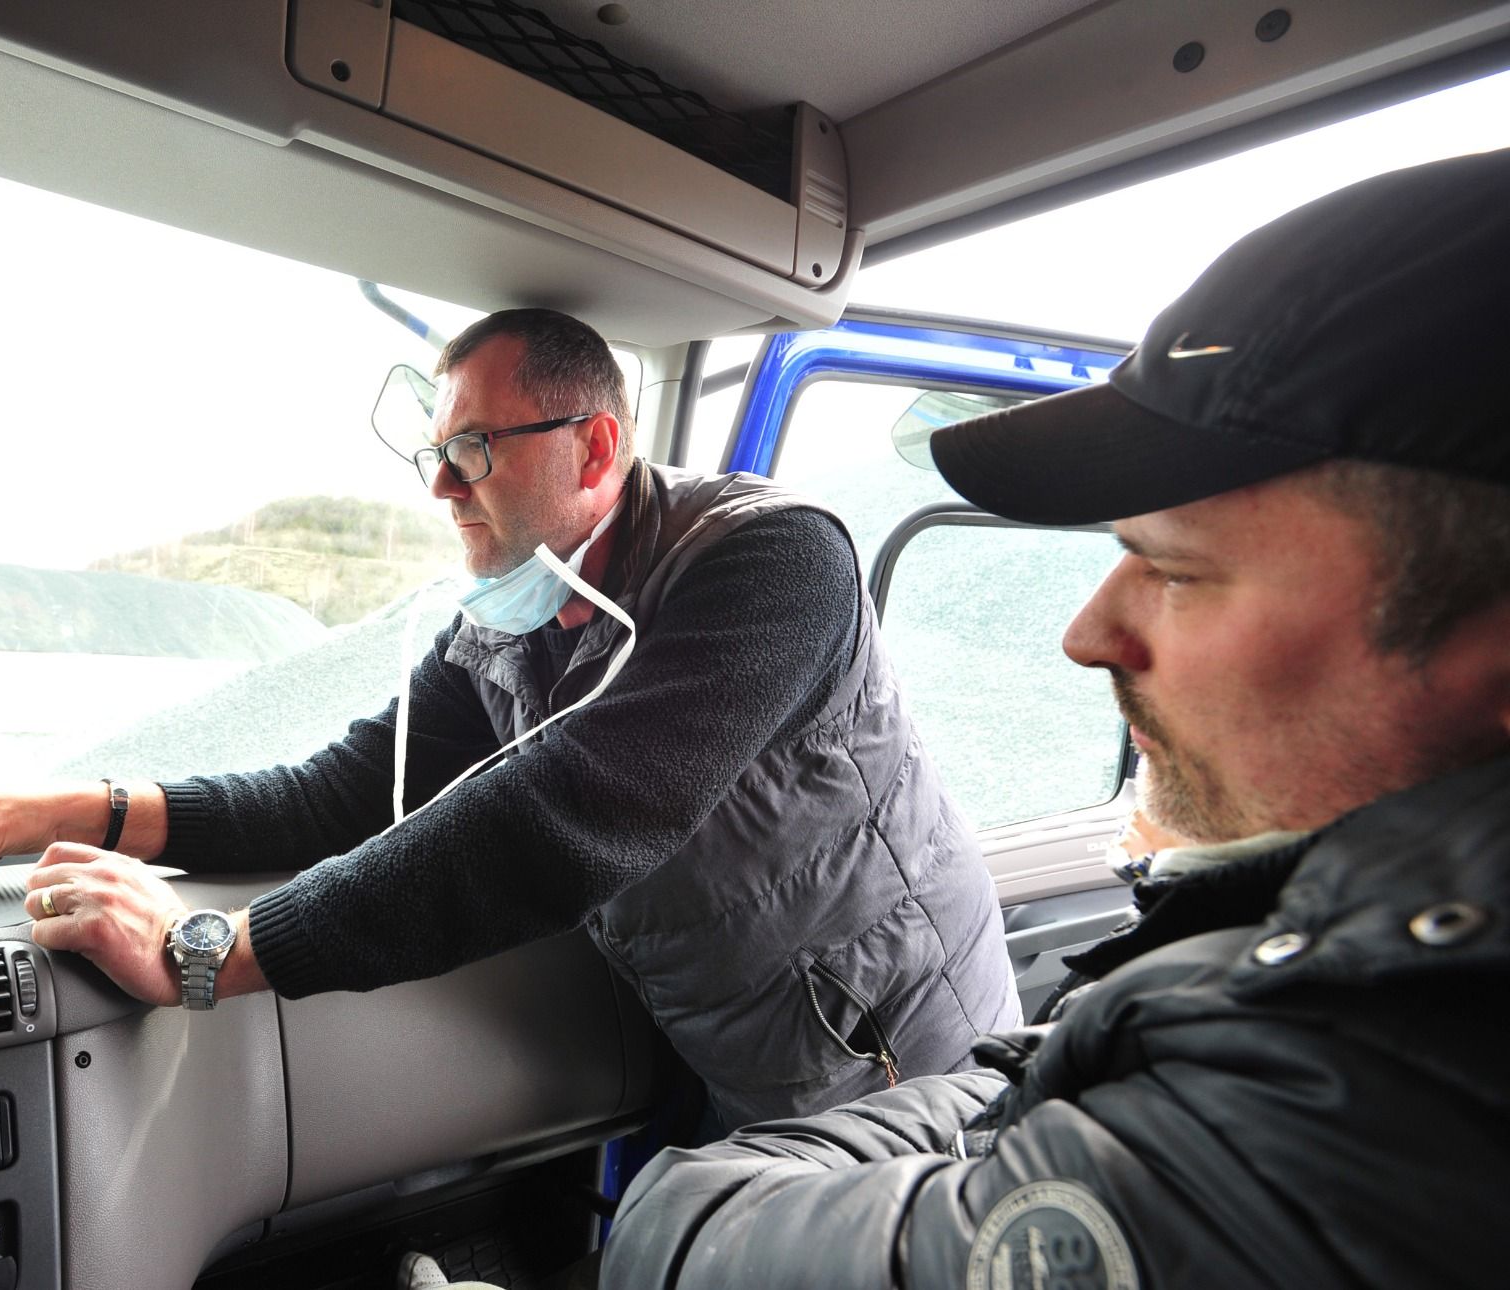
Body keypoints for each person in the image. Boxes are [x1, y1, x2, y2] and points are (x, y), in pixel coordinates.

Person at [599, 147, 1510, 1289]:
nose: (1087, 635)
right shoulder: (1316, 984)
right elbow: (1041, 1078)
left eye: (1175, 571)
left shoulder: (1359, 1108)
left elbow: (695, 1243)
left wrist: (687, 1192)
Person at [0, 307, 1020, 1131]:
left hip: (898, 1059)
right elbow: (341, 794)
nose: (440, 486)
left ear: (595, 447)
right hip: (731, 1043)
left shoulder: (772, 561)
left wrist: (206, 953)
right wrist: (62, 810)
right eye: (435, 450)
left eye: (471, 448)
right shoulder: (513, 622)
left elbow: (571, 813)